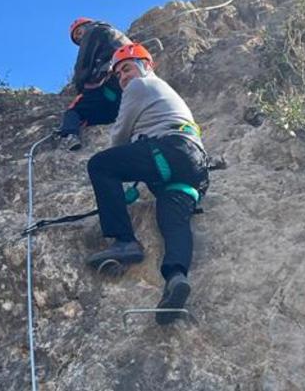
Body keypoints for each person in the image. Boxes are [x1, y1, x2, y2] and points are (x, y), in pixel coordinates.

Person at [84, 43, 210, 325]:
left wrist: (119, 177)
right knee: (172, 221)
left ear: (146, 65)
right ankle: (176, 278)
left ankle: (124, 241)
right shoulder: (164, 94)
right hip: (194, 165)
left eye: (127, 68)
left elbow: (119, 137)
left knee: (100, 165)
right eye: (118, 75)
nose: (123, 77)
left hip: (168, 150)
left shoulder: (140, 87)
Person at [58, 17, 131, 151]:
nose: (80, 38)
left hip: (108, 80)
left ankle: (69, 135)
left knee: (74, 110)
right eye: (77, 37)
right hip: (123, 83)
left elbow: (83, 64)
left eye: (79, 32)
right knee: (106, 111)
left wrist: (80, 86)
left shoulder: (93, 31)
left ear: (87, 25)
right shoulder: (116, 34)